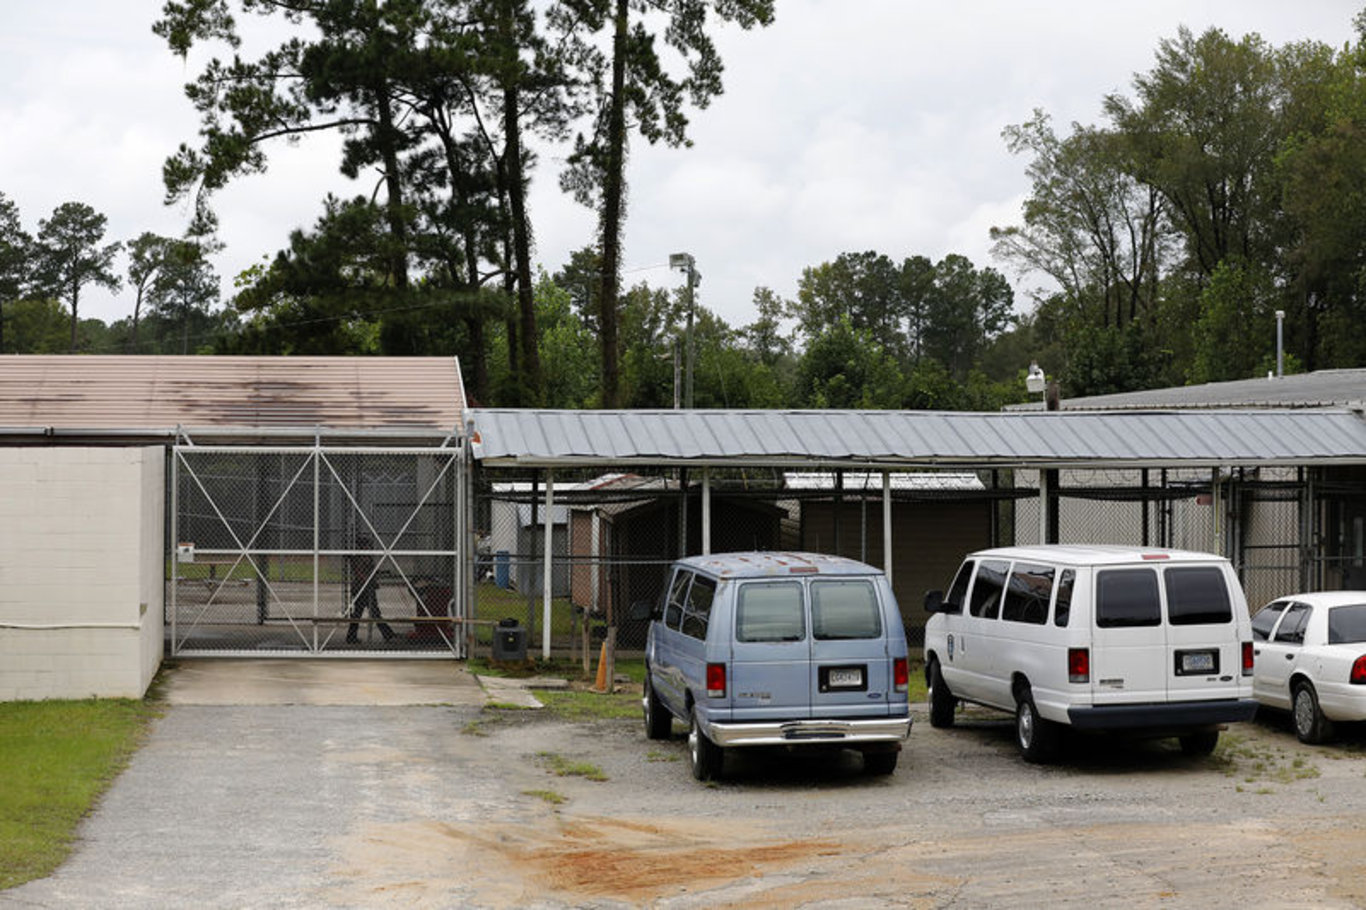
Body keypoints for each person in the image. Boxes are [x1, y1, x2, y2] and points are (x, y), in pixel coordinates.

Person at [346, 535, 395, 644]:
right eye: (367, 545)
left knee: (372, 613)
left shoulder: (366, 557)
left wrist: (381, 573)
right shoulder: (359, 557)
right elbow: (359, 573)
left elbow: (371, 571)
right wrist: (367, 580)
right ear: (362, 546)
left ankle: (388, 634)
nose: (369, 547)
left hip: (368, 588)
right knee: (364, 613)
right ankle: (388, 634)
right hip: (362, 588)